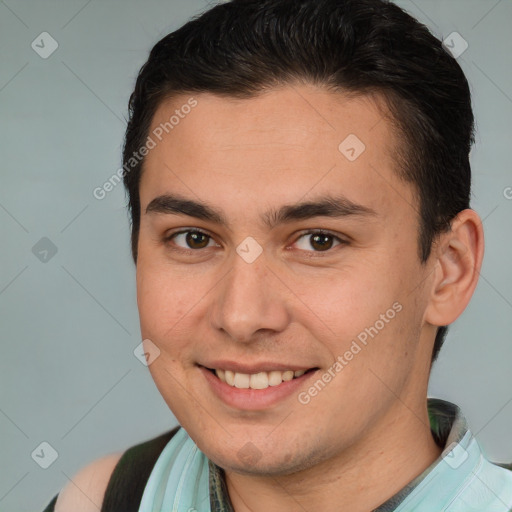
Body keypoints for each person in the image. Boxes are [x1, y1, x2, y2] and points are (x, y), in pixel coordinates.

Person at [42, 0, 512, 510]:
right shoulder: (98, 500)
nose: (241, 316)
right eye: (194, 238)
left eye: (318, 240)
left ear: (448, 270)